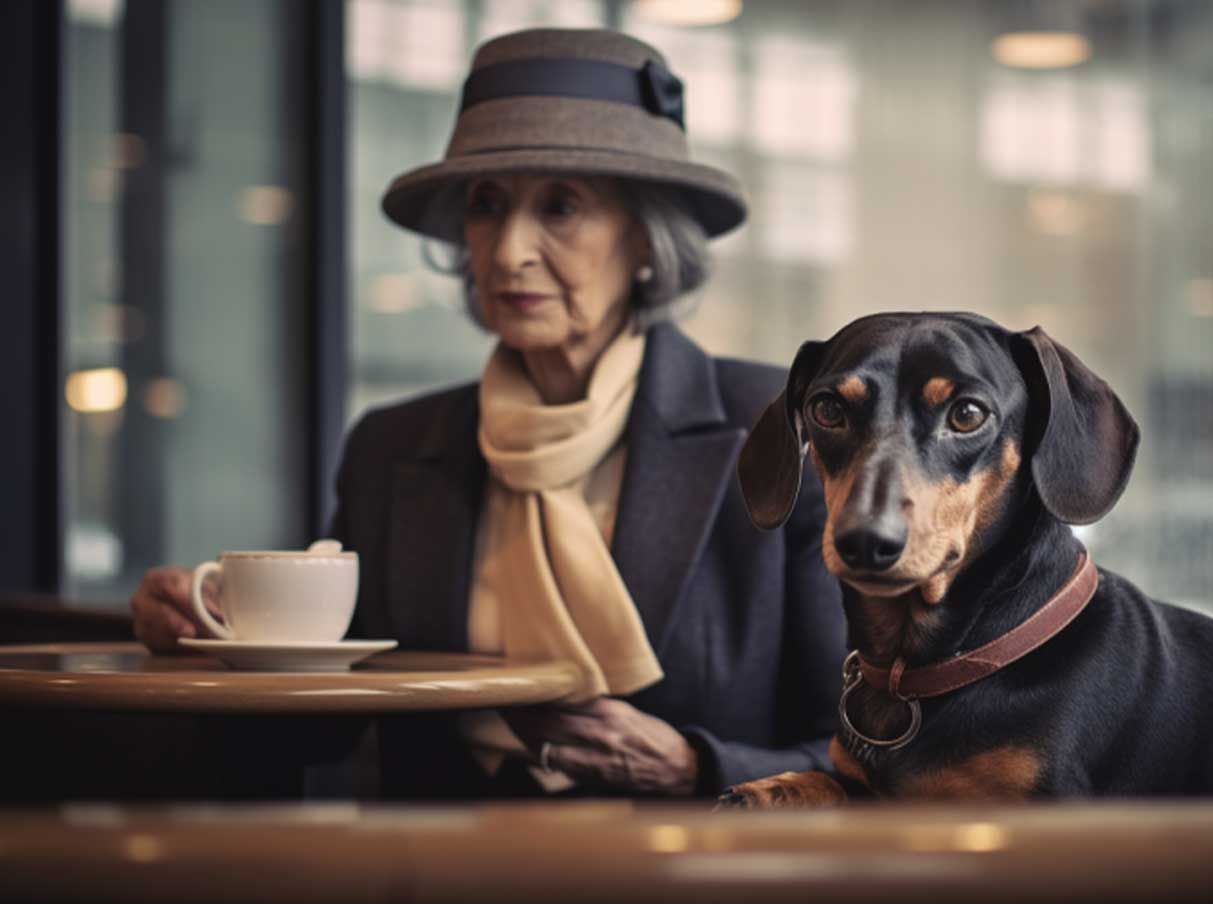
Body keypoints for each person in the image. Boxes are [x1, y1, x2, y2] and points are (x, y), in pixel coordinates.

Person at [130, 27, 846, 800]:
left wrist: (692, 766)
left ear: (647, 236)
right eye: (486, 206)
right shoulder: (393, 447)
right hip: (430, 880)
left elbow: (855, 750)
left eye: (561, 207)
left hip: (681, 879)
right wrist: (211, 647)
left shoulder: (770, 431)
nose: (508, 252)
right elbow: (321, 724)